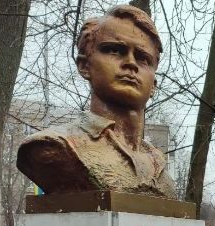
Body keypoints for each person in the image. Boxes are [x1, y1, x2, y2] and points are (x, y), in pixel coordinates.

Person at [17, 5, 176, 198]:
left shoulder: (158, 165)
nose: (131, 63)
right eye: (114, 50)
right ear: (84, 65)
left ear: (153, 86)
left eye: (143, 58)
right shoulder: (55, 147)